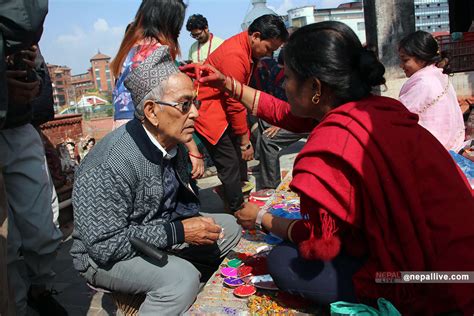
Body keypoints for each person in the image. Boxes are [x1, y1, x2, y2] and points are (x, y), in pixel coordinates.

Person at [181, 21, 474, 314]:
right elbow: (284, 112)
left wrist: (261, 219)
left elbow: (321, 244)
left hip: (427, 281)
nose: (283, 85)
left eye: (289, 78)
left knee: (283, 261)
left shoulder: (327, 147)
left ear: (315, 88)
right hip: (462, 258)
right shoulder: (379, 108)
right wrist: (226, 83)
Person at [71, 46, 241, 315]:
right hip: (103, 257)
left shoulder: (175, 145)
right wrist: (179, 232)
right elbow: (103, 246)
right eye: (185, 105)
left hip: (154, 231)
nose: (195, 113)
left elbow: (178, 206)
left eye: (195, 103)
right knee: (180, 280)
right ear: (151, 111)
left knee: (229, 227)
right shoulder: (110, 163)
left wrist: (187, 227)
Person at [195, 14, 288, 212]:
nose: (269, 54)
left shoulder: (247, 50)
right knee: (229, 162)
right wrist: (245, 141)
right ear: (255, 36)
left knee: (238, 159)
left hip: (223, 110)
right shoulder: (235, 56)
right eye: (269, 49)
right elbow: (235, 102)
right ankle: (238, 210)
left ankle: (234, 196)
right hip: (211, 112)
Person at [111, 0, 204, 179]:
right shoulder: (157, 52)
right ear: (168, 23)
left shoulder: (129, 48)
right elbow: (172, 110)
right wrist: (193, 150)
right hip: (150, 134)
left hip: (123, 131)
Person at [398, 30, 465, 152]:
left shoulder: (424, 83)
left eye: (405, 60)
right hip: (452, 148)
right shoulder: (438, 75)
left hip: (434, 153)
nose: (401, 66)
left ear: (422, 59)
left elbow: (400, 120)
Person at [250, 49, 308, 189]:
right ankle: (265, 164)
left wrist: (282, 122)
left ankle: (270, 186)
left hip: (306, 120)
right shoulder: (277, 72)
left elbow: (303, 110)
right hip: (291, 115)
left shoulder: (305, 80)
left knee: (268, 139)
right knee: (263, 122)